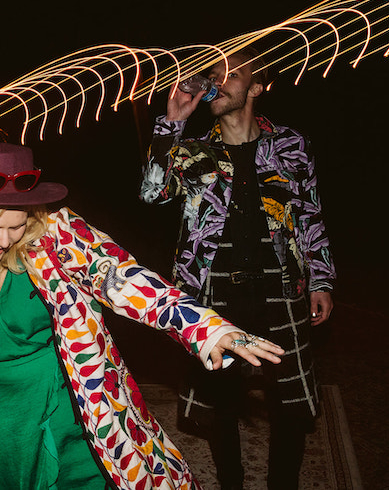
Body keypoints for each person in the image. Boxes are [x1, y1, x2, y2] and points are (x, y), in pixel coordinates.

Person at [0, 142, 287, 489]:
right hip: (1, 417)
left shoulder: (56, 236)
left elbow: (126, 279)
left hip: (72, 398)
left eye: (16, 226)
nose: (4, 240)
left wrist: (206, 329)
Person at [140, 47, 334, 490]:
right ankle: (230, 482)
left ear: (258, 87)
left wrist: (321, 279)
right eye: (213, 72)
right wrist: (171, 122)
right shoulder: (192, 150)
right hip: (212, 289)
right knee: (221, 400)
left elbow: (310, 215)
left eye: (232, 72)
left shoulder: (290, 144)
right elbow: (152, 193)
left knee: (289, 400)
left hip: (282, 285)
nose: (217, 79)